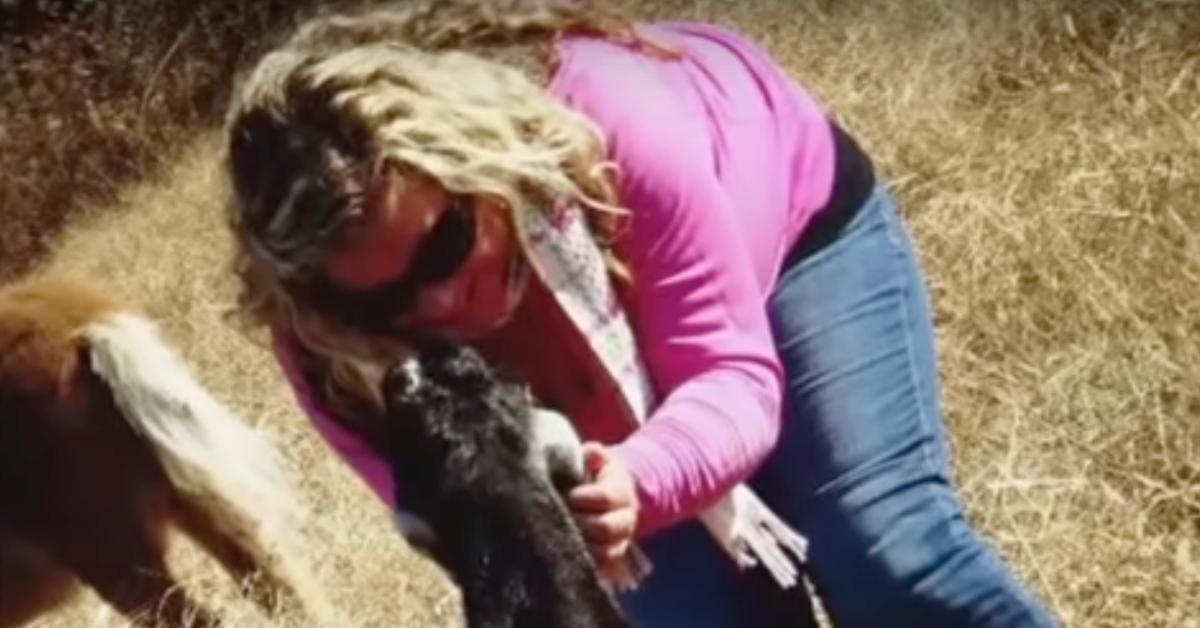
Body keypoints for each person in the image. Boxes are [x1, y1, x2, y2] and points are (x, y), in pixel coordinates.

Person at [222, 2, 1059, 626]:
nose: (437, 306)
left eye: (443, 245)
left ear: (472, 165)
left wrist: (643, 477)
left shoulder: (607, 123)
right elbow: (480, 529)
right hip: (590, 413)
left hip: (784, 243)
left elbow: (731, 378)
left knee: (885, 555)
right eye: (385, 298)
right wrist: (592, 511)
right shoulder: (339, 349)